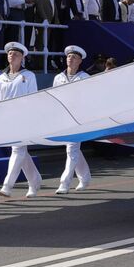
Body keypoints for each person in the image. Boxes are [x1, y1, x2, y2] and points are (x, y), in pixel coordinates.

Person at [0, 41, 42, 197]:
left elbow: (33, 99)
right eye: (10, 53)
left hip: (24, 119)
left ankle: (7, 186)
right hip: (9, 120)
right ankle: (35, 180)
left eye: (16, 54)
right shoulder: (1, 77)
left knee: (18, 150)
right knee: (21, 151)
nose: (12, 55)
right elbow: (1, 101)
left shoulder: (28, 75)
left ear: (22, 57)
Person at [53, 45, 92, 194]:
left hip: (78, 118)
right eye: (69, 56)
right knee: (73, 149)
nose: (70, 59)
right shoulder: (58, 78)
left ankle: (64, 182)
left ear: (80, 61)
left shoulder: (84, 78)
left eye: (74, 57)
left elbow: (88, 99)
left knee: (72, 149)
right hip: (64, 118)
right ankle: (85, 177)